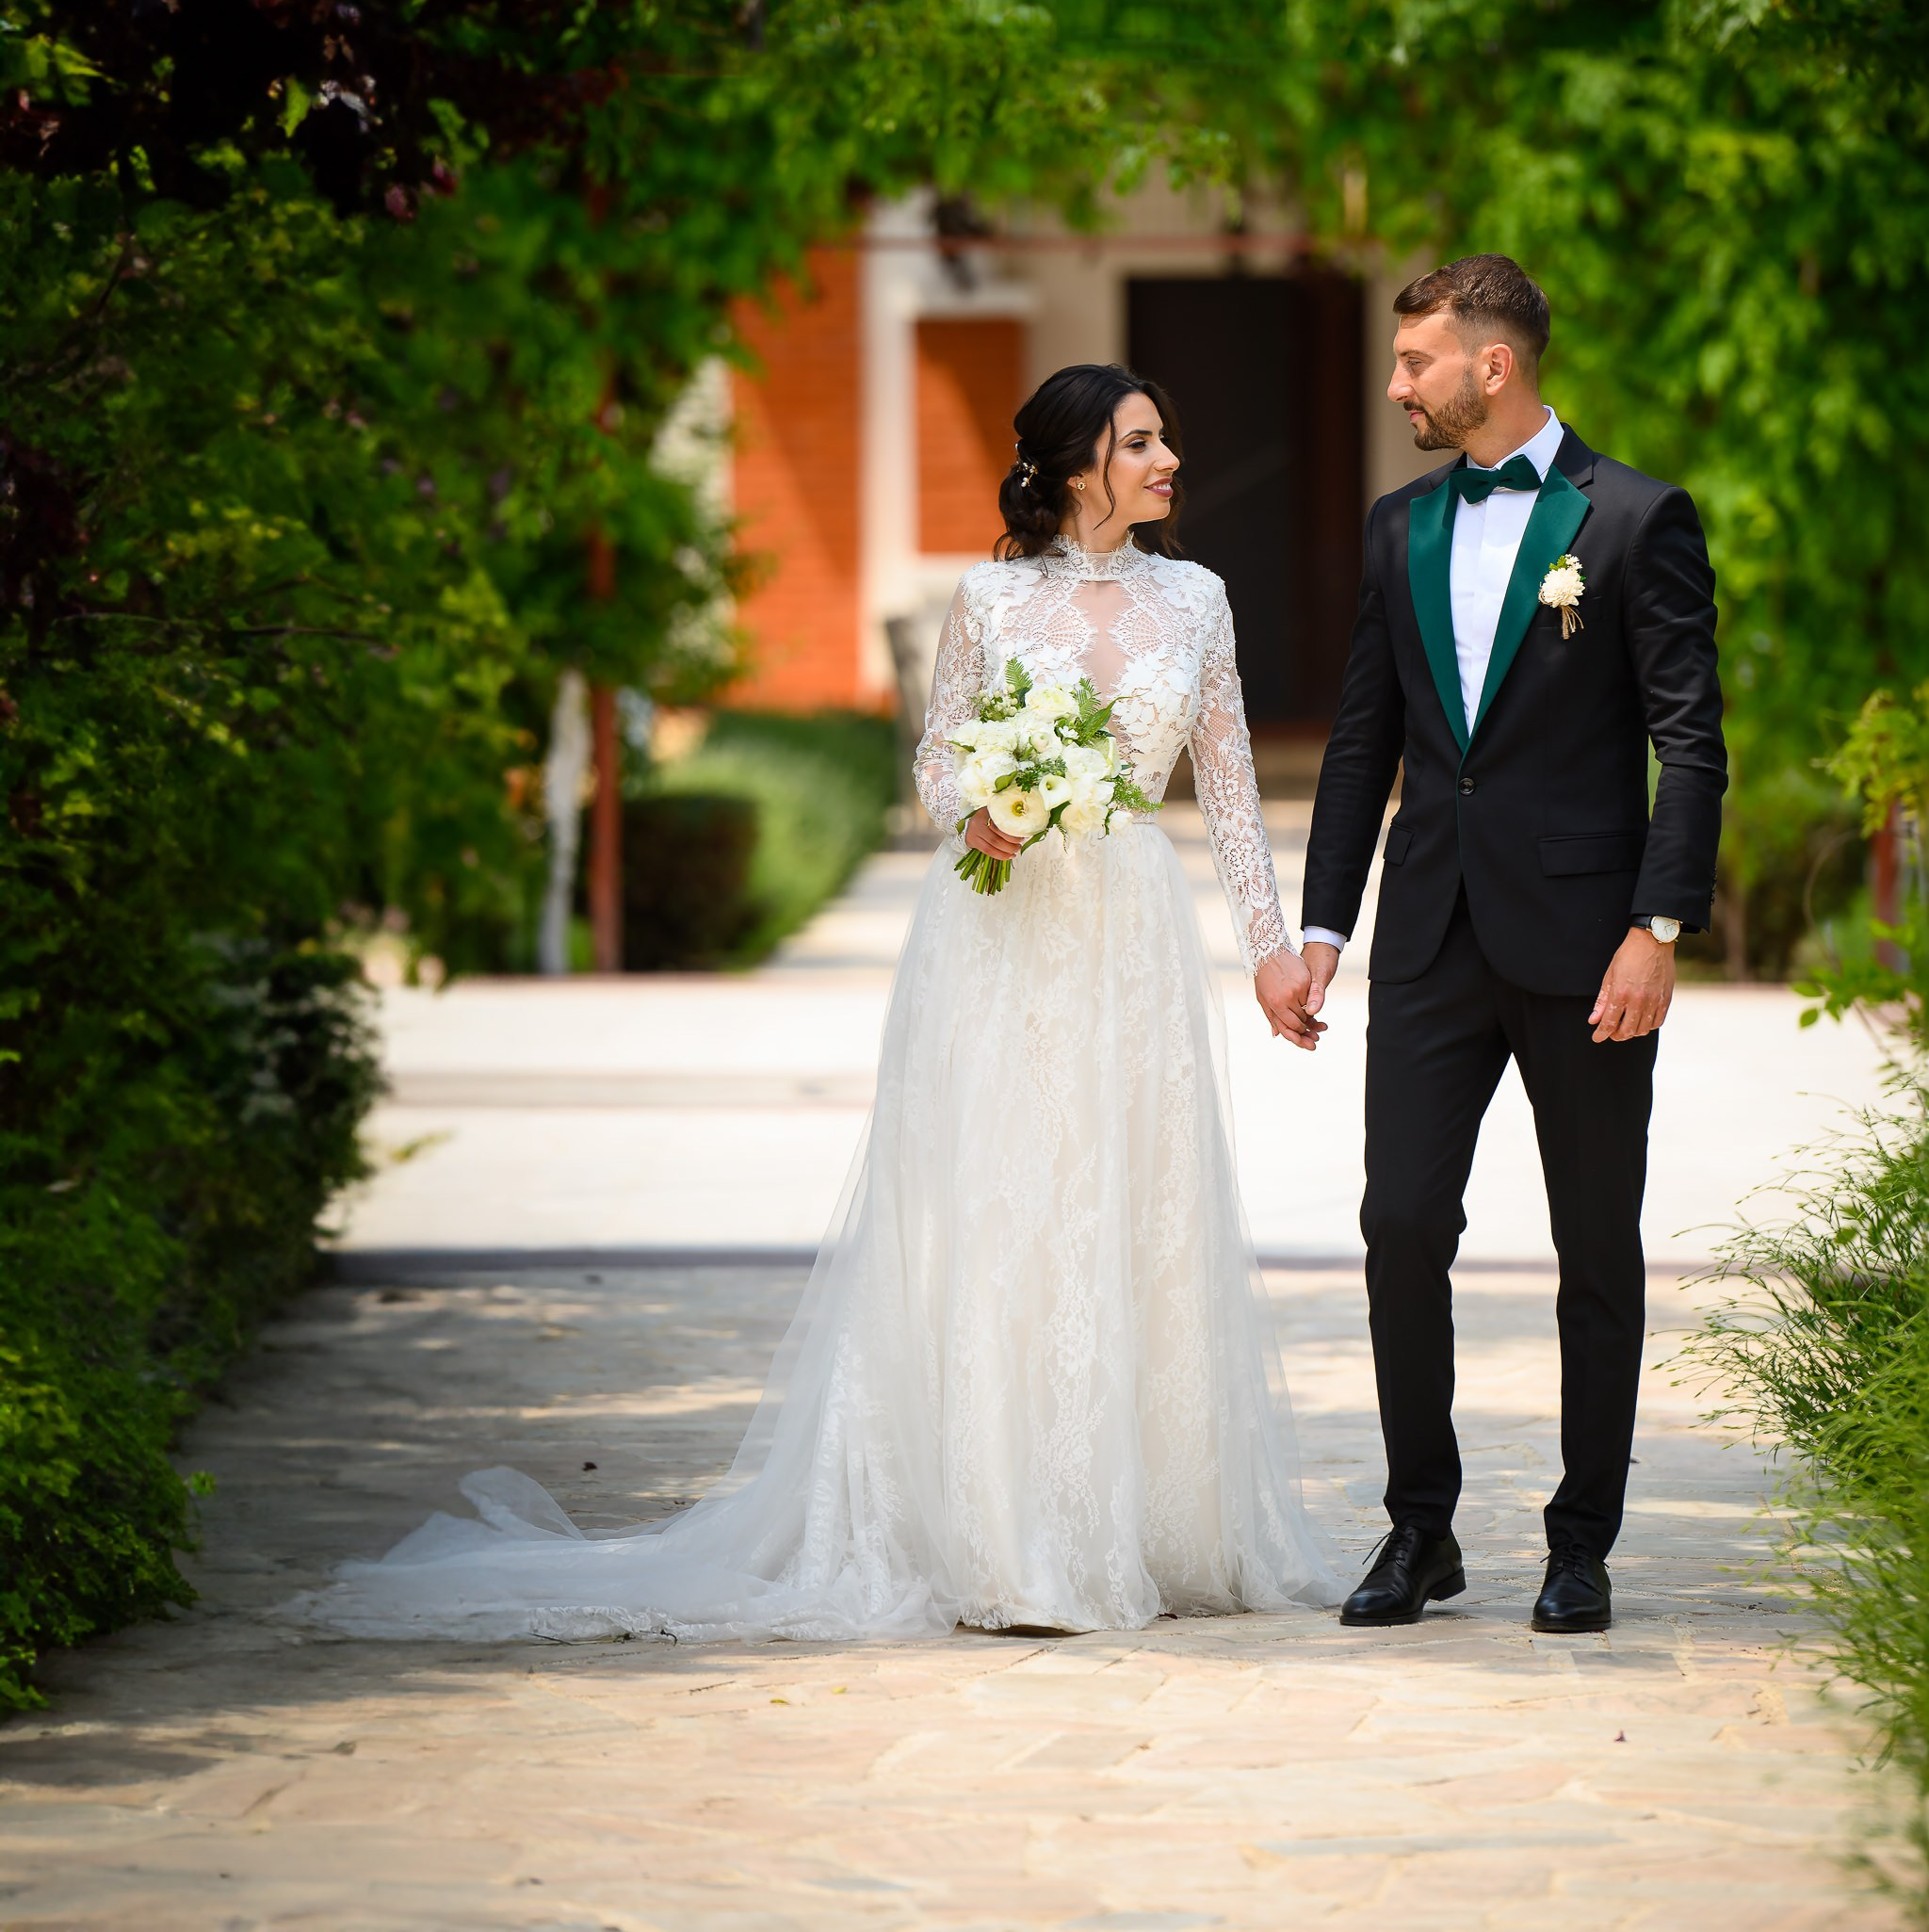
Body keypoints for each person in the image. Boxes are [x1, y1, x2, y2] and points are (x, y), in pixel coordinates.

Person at [292, 363, 1337, 1643]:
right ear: (1076, 470)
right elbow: (937, 755)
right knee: (1000, 1202)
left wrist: (1271, 948)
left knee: (1132, 1196)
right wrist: (983, 811)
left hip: (1132, 929)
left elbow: (1228, 784)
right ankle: (1004, 1535)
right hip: (1002, 931)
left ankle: (1147, 1522)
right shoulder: (991, 597)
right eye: (1140, 442)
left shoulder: (1198, 600)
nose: (1170, 460)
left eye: (1165, 439)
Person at [1270, 256, 1725, 1636]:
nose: (1398, 382)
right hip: (1428, 936)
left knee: (1597, 1245)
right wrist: (1321, 926)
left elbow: (1688, 742)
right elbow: (1365, 741)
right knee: (1400, 1223)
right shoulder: (1397, 524)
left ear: (1494, 367)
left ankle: (1581, 1542)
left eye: (1416, 361)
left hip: (1591, 945)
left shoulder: (1639, 519)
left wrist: (1658, 926)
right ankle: (1422, 1530)